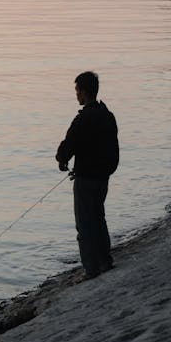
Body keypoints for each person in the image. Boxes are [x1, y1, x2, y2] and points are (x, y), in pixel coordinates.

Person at [56, 72, 119, 279]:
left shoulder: (83, 119)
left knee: (84, 225)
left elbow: (67, 146)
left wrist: (62, 160)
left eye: (76, 91)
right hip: (103, 177)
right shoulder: (107, 115)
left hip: (86, 179)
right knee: (99, 219)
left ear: (83, 92)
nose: (76, 95)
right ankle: (105, 262)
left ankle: (91, 269)